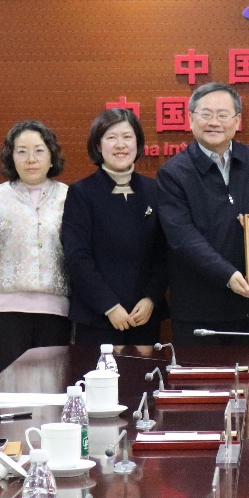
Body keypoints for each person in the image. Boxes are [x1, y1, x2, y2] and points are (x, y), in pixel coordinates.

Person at [156, 83, 249, 346]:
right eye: (205, 114)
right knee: (200, 374)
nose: (214, 122)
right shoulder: (173, 173)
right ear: (190, 119)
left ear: (237, 120)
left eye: (222, 115)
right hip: (198, 309)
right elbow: (182, 238)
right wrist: (227, 275)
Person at [0, 120, 71, 379]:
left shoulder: (69, 197)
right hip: (5, 314)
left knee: (52, 388)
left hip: (56, 314)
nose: (30, 159)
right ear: (11, 156)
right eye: (22, 151)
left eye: (39, 150)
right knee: (7, 390)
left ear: (51, 156)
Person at [62, 108, 168, 352]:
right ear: (98, 145)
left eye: (127, 137)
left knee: (145, 376)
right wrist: (109, 306)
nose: (120, 145)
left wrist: (151, 298)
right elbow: (77, 257)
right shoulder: (81, 193)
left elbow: (163, 254)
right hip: (98, 316)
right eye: (111, 137)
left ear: (138, 143)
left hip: (143, 316)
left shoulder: (154, 190)